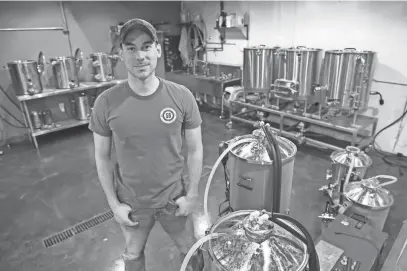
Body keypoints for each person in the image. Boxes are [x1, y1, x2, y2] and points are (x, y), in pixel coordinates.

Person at [89, 18, 205, 271]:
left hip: (174, 198)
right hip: (131, 202)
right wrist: (113, 204)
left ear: (158, 50)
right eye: (131, 48)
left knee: (191, 250)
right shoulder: (106, 102)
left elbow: (195, 149)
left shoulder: (181, 96)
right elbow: (101, 157)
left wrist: (192, 194)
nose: (140, 55)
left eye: (146, 46)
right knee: (133, 255)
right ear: (121, 54)